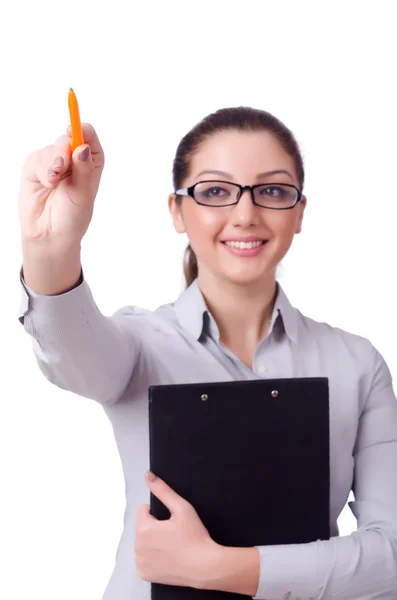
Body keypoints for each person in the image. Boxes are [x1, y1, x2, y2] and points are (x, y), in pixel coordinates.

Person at [18, 107, 397, 600]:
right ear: (177, 211)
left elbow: (390, 558)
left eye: (273, 190)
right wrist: (49, 249)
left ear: (300, 212)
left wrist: (219, 568)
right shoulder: (139, 346)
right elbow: (71, 353)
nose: (245, 214)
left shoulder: (356, 364)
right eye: (215, 191)